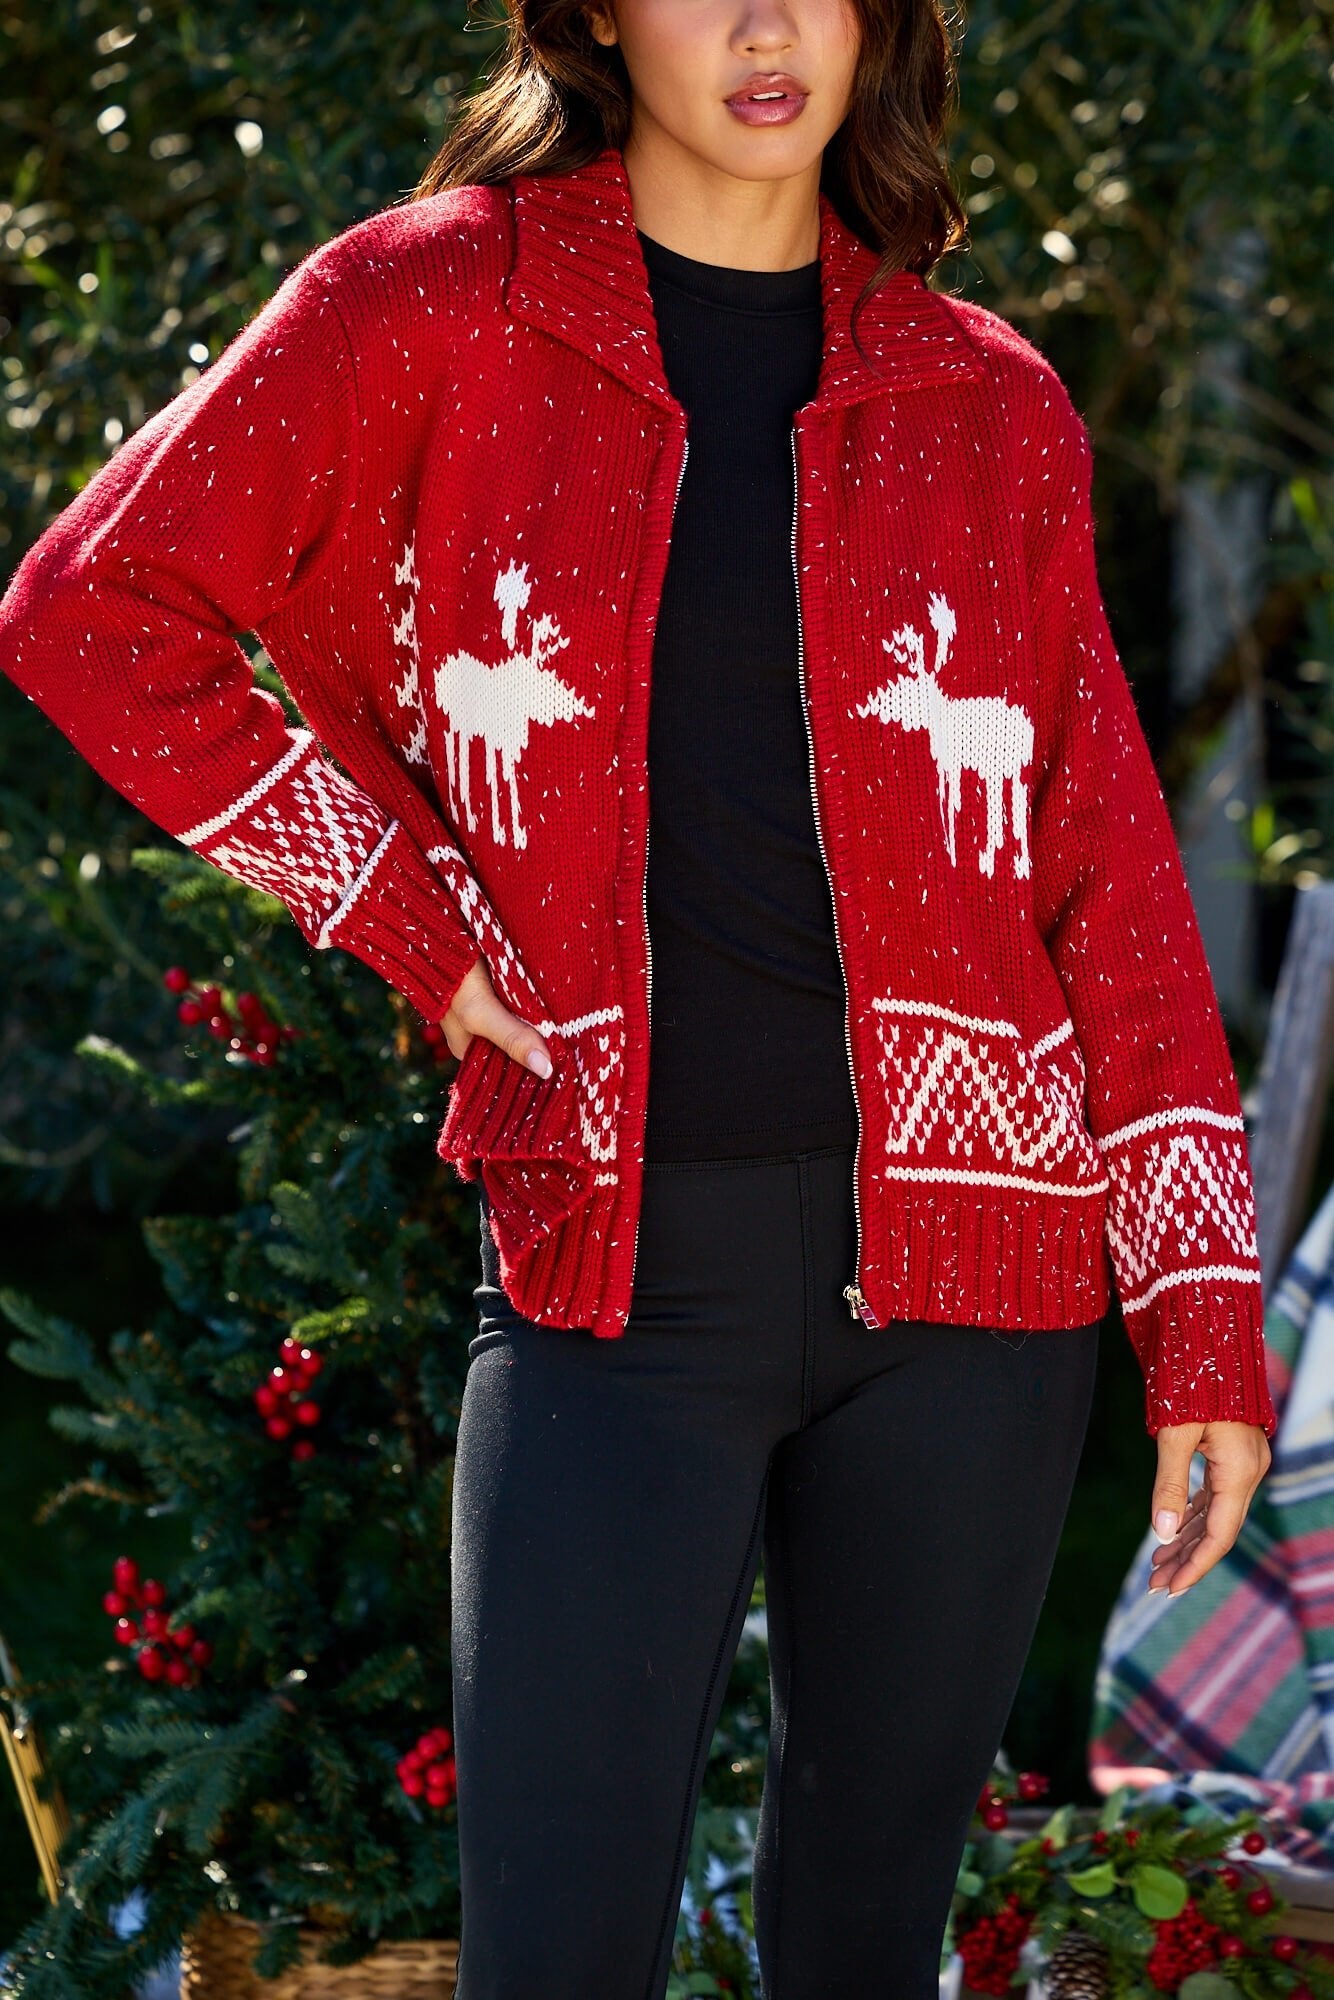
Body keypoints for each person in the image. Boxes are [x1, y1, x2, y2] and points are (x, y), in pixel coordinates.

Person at [0, 1, 1277, 1995]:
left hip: (977, 1289)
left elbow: (1102, 870)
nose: (767, 29)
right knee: (555, 1949)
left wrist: (1197, 1315)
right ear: (595, 14)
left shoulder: (983, 396)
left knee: (863, 1950)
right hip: (619, 1279)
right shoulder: (431, 304)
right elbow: (91, 612)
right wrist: (412, 920)